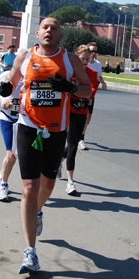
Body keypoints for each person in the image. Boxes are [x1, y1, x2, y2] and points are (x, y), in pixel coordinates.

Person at [0, 17, 91, 274]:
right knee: (29, 186)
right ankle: (30, 252)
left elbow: (87, 90)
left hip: (57, 131)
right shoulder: (24, 57)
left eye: (54, 28)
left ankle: (38, 211)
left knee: (47, 186)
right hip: (28, 128)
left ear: (60, 35)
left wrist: (70, 88)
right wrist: (7, 88)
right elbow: (10, 82)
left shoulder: (70, 60)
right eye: (45, 27)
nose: (49, 30)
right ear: (37, 33)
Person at [59, 45, 99, 195]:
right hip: (68, 110)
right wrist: (78, 91)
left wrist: (80, 93)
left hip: (81, 111)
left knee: (73, 143)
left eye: (87, 59)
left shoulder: (92, 73)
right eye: (82, 58)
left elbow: (91, 92)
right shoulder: (70, 73)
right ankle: (70, 182)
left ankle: (57, 164)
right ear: (76, 58)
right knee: (72, 146)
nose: (85, 61)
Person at [0, 70, 22, 202]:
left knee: (17, 155)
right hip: (7, 118)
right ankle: (3, 184)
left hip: (24, 120)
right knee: (11, 154)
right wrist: (2, 101)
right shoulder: (8, 74)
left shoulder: (33, 76)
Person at [78, 41, 107, 150]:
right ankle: (78, 138)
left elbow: (98, 78)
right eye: (91, 51)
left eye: (95, 51)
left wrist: (103, 83)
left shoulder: (97, 65)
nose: (93, 53)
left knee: (87, 118)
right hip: (78, 93)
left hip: (90, 95)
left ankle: (80, 137)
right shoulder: (81, 62)